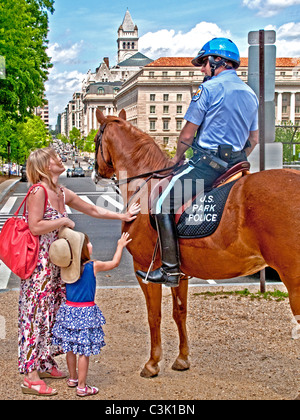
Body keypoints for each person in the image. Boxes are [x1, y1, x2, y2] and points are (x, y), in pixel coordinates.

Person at [136, 37, 259, 288]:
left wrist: (176, 159)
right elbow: (254, 138)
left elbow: (187, 135)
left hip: (207, 164)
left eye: (204, 63)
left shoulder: (208, 90)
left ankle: (170, 270)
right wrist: (239, 156)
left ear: (217, 62)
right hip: (237, 164)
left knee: (161, 203)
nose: (202, 69)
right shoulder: (250, 94)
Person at [19, 147, 139, 396]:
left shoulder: (61, 192)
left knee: (51, 316)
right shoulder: (39, 191)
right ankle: (30, 375)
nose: (59, 159)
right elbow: (34, 226)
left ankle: (43, 362)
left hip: (59, 266)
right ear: (44, 166)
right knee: (34, 317)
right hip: (39, 267)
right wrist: (63, 221)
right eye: (54, 158)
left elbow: (93, 209)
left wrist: (122, 214)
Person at [49, 227, 132, 397]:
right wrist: (120, 245)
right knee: (84, 351)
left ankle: (72, 378)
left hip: (69, 310)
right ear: (84, 249)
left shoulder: (67, 266)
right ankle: (82, 386)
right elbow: (114, 263)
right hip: (86, 312)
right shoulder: (93, 266)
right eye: (88, 243)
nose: (91, 244)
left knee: (70, 348)